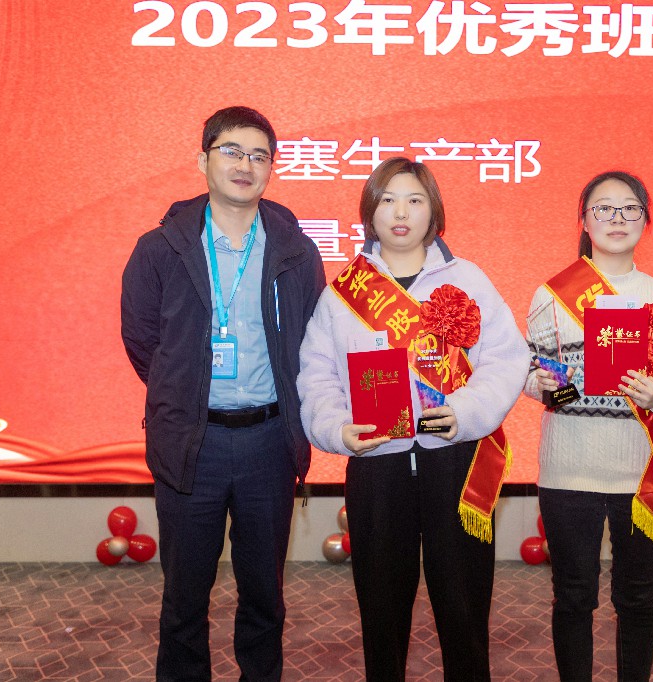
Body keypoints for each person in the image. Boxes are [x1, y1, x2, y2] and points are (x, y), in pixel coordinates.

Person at [297, 157, 528, 681]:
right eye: (388, 200)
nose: (400, 213)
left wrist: (466, 412)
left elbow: (505, 359)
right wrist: (336, 428)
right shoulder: (343, 292)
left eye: (414, 200)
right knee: (380, 611)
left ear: (433, 211)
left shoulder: (467, 279)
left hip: (455, 462)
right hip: (377, 465)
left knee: (464, 610)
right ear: (369, 212)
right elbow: (316, 374)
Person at [121, 105, 325, 681]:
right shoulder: (160, 248)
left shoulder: (295, 250)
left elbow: (312, 336)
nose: (245, 165)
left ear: (271, 169)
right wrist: (183, 394)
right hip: (193, 443)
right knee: (184, 599)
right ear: (203, 160)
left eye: (259, 155)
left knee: (265, 596)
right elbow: (142, 341)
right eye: (231, 151)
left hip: (268, 442)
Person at [524, 171, 653, 681]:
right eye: (603, 208)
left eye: (630, 208)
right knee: (573, 597)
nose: (617, 218)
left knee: (638, 599)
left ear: (646, 220)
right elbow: (528, 374)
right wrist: (556, 389)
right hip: (569, 470)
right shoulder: (552, 295)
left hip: (641, 474)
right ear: (584, 220)